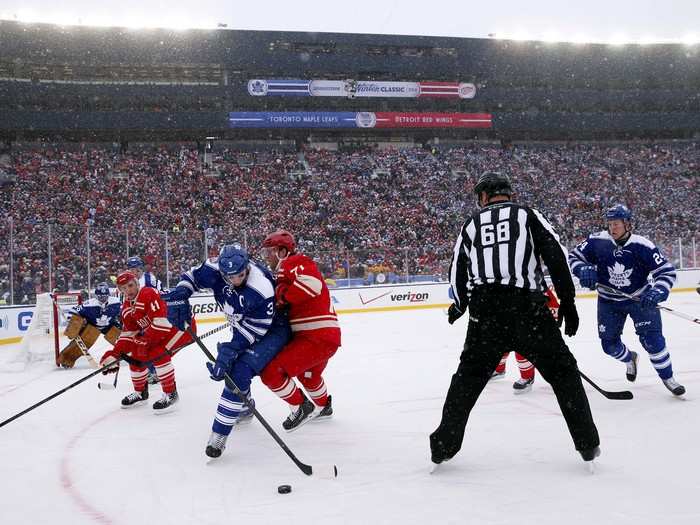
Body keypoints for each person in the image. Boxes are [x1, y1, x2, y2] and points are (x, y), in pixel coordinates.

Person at [431, 172, 600, 468]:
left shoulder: (471, 224)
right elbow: (556, 257)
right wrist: (568, 302)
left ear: (484, 196)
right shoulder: (527, 215)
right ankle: (587, 443)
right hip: (527, 309)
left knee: (467, 379)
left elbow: (458, 270)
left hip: (486, 313)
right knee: (563, 374)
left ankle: (443, 445)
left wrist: (460, 305)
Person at [171, 244, 290, 458]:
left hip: (272, 330)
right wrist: (181, 294)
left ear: (247, 267)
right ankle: (243, 409)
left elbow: (253, 332)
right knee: (235, 368)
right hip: (244, 323)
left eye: (240, 275)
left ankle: (219, 435)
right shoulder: (214, 269)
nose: (235, 280)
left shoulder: (260, 288)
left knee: (238, 372)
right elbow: (190, 277)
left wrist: (229, 351)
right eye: (229, 277)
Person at [569, 204, 684, 396]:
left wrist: (658, 291)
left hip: (639, 299)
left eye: (616, 224)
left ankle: (668, 378)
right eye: (609, 224)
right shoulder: (596, 241)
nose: (612, 228)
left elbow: (666, 272)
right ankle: (630, 359)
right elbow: (574, 257)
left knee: (653, 342)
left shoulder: (643, 246)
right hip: (608, 302)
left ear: (627, 224)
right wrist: (582, 269)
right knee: (609, 346)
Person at [259, 230, 341, 432]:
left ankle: (300, 406)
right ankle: (323, 407)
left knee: (271, 373)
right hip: (325, 337)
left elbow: (311, 285)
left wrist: (281, 297)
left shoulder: (293, 261)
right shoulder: (291, 265)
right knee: (309, 376)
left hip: (315, 337)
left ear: (282, 251)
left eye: (270, 252)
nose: (267, 257)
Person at [99, 271, 192, 412]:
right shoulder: (126, 307)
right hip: (159, 333)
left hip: (180, 328)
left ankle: (171, 393)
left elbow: (162, 323)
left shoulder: (148, 294)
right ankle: (141, 392)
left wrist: (144, 341)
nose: (127, 291)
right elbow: (128, 334)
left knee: (157, 353)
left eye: (130, 286)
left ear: (136, 283)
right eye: (123, 288)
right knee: (135, 355)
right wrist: (115, 354)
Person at [490, 287, 560, 394]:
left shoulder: (536, 284)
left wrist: (547, 326)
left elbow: (553, 306)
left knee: (523, 349)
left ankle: (528, 378)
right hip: (519, 321)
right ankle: (499, 370)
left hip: (539, 323)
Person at [58, 283, 122, 368]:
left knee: (124, 339)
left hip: (110, 325)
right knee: (82, 344)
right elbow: (73, 311)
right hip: (93, 326)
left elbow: (126, 310)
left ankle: (132, 355)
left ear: (108, 295)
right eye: (100, 296)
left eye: (105, 296)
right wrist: (74, 324)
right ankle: (66, 360)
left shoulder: (116, 302)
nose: (103, 298)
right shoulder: (89, 304)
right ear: (96, 296)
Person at [126, 255, 162, 384]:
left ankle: (155, 372)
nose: (135, 272)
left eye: (137, 269)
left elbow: (158, 296)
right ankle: (148, 371)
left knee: (151, 344)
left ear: (142, 269)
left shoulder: (150, 279)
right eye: (132, 270)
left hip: (150, 317)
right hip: (136, 317)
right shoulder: (126, 282)